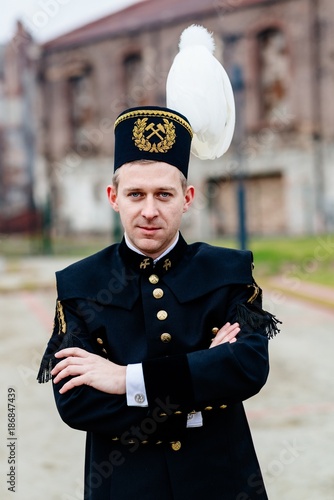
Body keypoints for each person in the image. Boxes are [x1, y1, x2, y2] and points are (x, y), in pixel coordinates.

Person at [38, 105, 280, 499]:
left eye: (164, 194)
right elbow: (78, 403)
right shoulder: (80, 284)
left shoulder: (229, 270)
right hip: (126, 484)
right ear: (114, 197)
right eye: (136, 194)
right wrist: (203, 382)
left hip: (222, 482)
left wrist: (125, 379)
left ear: (187, 198)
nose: (150, 211)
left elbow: (248, 368)